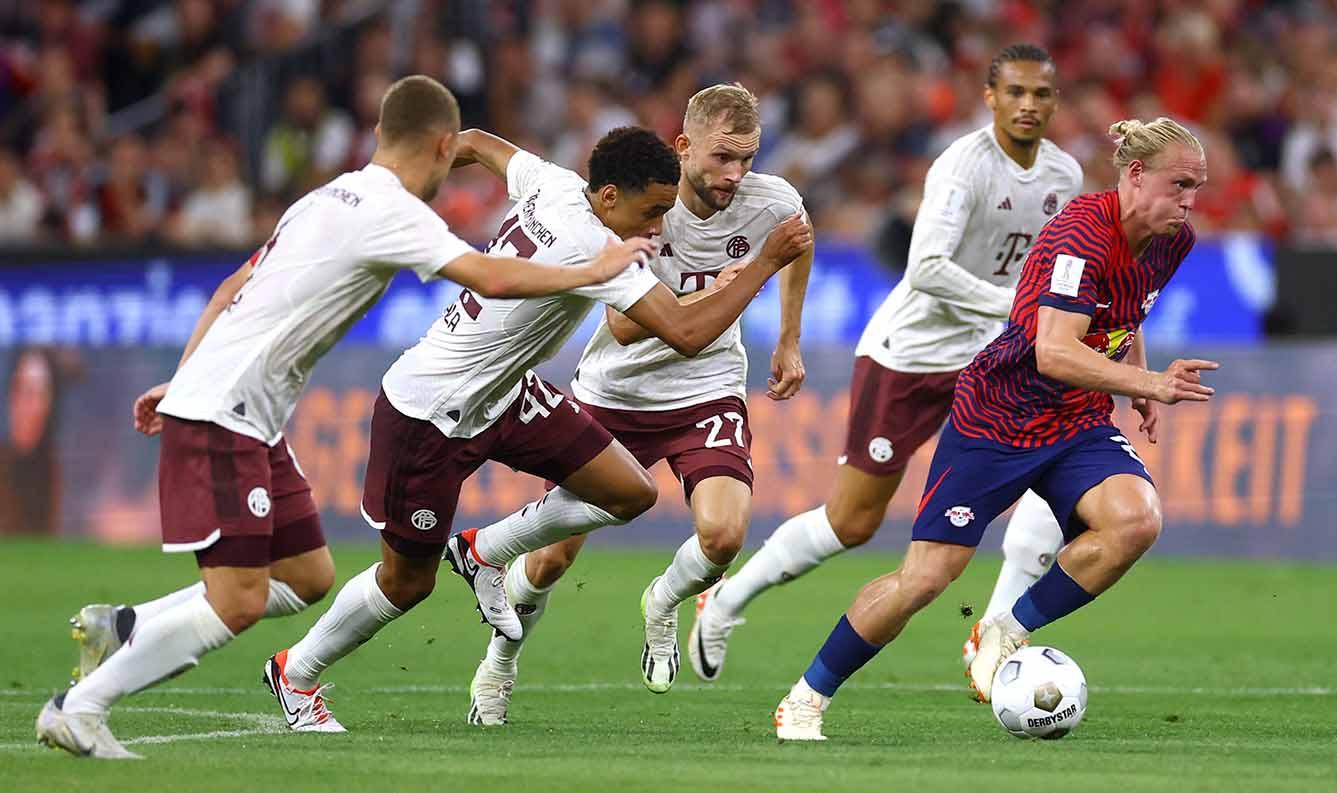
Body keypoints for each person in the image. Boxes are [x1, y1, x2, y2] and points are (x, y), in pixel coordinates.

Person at [38, 74, 653, 759]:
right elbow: (493, 276)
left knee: (307, 575)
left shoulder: (323, 197)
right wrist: (595, 270)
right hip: (227, 410)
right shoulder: (394, 213)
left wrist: (182, 376)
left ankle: (123, 625)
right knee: (238, 599)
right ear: (443, 147)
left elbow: (232, 287)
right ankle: (81, 705)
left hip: (248, 410)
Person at [261, 125, 812, 731]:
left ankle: (486, 550)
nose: (658, 227)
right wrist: (763, 264)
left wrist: (399, 184)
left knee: (630, 492)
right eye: (651, 212)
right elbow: (683, 333)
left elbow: (469, 141)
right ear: (607, 199)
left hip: (508, 394)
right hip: (431, 413)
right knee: (406, 583)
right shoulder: (600, 251)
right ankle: (295, 672)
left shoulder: (552, 183)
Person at [773, 116, 1216, 741]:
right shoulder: (1080, 235)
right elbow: (1053, 352)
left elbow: (1127, 309)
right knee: (926, 578)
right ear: (1135, 175)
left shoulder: (1173, 239)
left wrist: (1135, 375)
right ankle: (806, 696)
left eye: (1198, 186)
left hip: (1076, 420)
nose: (1190, 200)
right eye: (1180, 184)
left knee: (1135, 519)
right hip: (998, 418)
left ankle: (1006, 627)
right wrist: (1152, 386)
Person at [693, 45, 1081, 685]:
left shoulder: (1064, 176)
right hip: (911, 357)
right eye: (1014, 92)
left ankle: (997, 632)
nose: (1028, 105)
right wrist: (1018, 309)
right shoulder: (963, 166)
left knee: (1056, 466)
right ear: (990, 96)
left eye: (1040, 94)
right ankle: (727, 599)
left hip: (995, 360)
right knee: (853, 521)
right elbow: (926, 269)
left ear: (1054, 100)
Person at [455, 83, 813, 724]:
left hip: (707, 388)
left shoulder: (773, 202)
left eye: (747, 159)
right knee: (551, 559)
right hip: (614, 391)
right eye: (722, 158)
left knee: (726, 533)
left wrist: (788, 340)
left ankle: (662, 602)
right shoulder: (646, 204)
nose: (735, 175)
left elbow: (798, 247)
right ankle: (499, 663)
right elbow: (624, 327)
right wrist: (740, 279)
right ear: (684, 146)